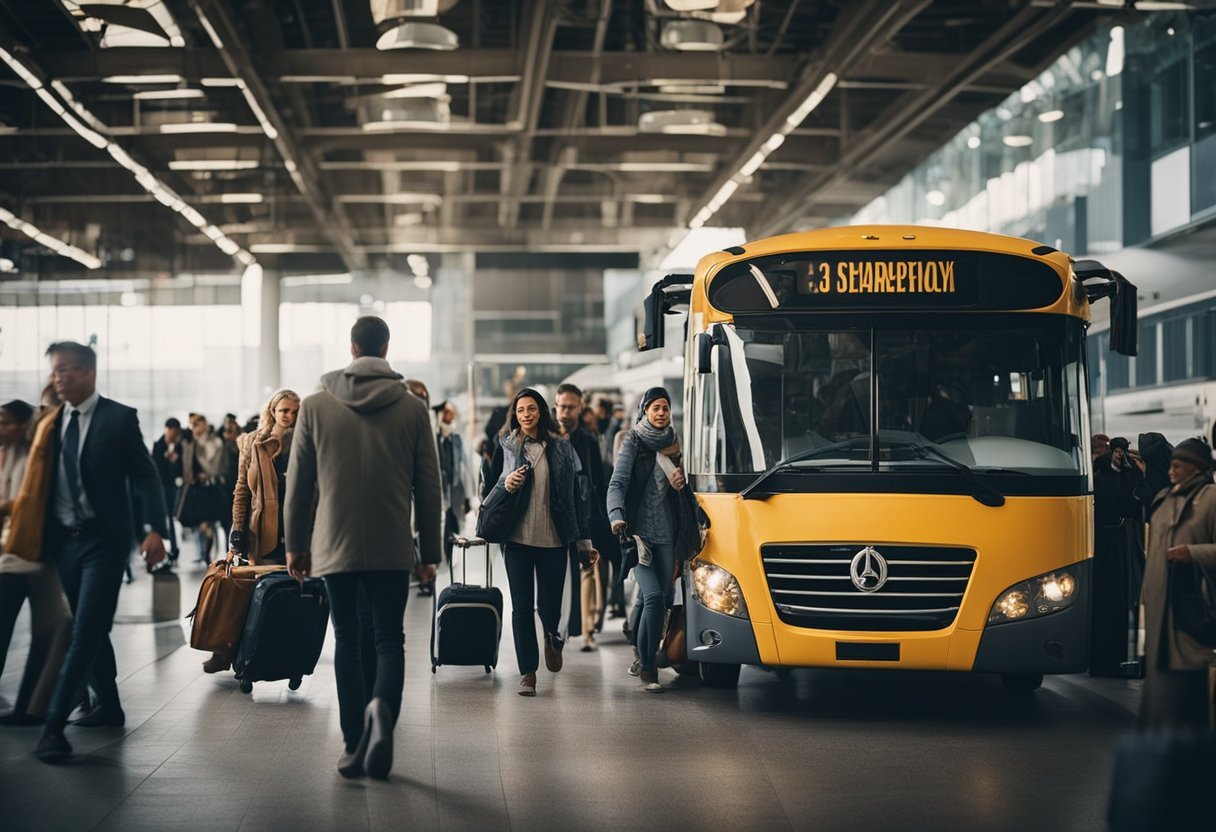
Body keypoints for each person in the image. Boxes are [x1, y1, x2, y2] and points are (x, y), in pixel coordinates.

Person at [285, 316, 441, 780]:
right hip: (392, 544)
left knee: (348, 640)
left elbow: (299, 485)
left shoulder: (315, 406)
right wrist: (429, 552)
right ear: (386, 348)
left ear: (352, 348)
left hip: (334, 543)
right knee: (390, 639)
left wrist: (296, 545)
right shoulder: (413, 409)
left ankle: (354, 744)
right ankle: (382, 715)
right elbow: (429, 488)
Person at [23, 342, 167, 762]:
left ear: (89, 373)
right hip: (64, 543)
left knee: (84, 630)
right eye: (54, 371)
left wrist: (155, 529)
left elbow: (146, 476)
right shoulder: (50, 423)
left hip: (104, 542)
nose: (58, 377)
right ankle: (110, 705)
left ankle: (52, 727)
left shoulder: (118, 418)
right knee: (94, 625)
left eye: (66, 369)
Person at [493, 387, 595, 697]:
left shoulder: (561, 448)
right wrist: (504, 483)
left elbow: (574, 497)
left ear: (541, 412)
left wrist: (583, 542)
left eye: (532, 409)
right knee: (521, 607)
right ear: (515, 414)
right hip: (517, 539)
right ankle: (528, 673)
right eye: (521, 410)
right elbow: (489, 487)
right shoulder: (506, 446)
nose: (526, 414)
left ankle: (553, 636)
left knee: (548, 605)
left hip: (553, 539)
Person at [607, 387, 697, 693]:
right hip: (639, 535)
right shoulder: (634, 440)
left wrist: (681, 484)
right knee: (655, 597)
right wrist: (617, 516)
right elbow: (617, 482)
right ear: (645, 411)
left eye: (666, 408)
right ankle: (648, 666)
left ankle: (640, 646)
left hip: (667, 535)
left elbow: (680, 490)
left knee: (657, 600)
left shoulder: (674, 442)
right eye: (656, 407)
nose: (661, 413)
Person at [0, 400, 73, 727]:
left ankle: (31, 708)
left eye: (6, 422)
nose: (1, 428)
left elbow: (31, 500)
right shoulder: (6, 454)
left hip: (34, 558)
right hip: (8, 558)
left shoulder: (37, 457)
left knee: (46, 633)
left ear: (22, 425)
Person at [1140, 438, 1216, 729]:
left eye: (1178, 464)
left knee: (1187, 698)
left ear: (1196, 468)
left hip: (1189, 612)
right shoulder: (1164, 498)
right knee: (1159, 705)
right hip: (1161, 616)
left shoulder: (1210, 499)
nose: (1171, 469)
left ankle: (1187, 764)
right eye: (1170, 463)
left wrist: (1193, 553)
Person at [555, 384, 615, 651]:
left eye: (570, 406)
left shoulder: (588, 441)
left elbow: (597, 482)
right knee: (556, 574)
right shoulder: (547, 437)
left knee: (587, 572)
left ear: (580, 407)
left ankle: (588, 629)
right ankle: (556, 628)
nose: (564, 412)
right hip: (554, 517)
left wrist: (602, 516)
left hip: (584, 517)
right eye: (561, 406)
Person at [420, 400, 473, 597]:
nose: (449, 416)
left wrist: (468, 496)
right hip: (438, 489)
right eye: (447, 412)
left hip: (454, 489)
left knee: (452, 529)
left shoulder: (456, 438)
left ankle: (447, 569)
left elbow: (463, 465)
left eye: (452, 413)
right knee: (439, 529)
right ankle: (432, 573)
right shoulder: (432, 435)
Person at [178, 414, 225, 564]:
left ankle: (209, 553)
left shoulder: (213, 441)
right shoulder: (190, 443)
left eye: (196, 424)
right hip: (195, 488)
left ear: (204, 424)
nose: (193, 428)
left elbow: (213, 465)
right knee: (201, 523)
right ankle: (205, 552)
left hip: (209, 487)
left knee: (208, 522)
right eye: (191, 424)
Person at [150, 418, 184, 564]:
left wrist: (174, 462)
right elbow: (155, 467)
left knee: (171, 518)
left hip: (173, 487)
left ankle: (173, 549)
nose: (173, 436)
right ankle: (166, 550)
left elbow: (181, 467)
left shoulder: (179, 446)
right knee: (164, 518)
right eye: (172, 433)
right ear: (167, 430)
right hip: (161, 487)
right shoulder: (158, 446)